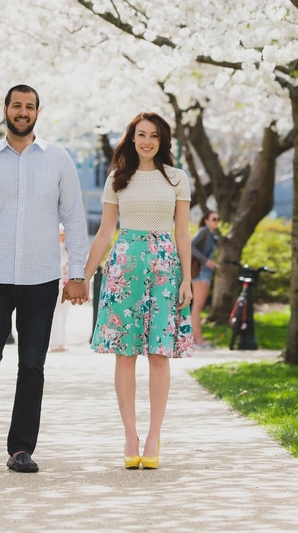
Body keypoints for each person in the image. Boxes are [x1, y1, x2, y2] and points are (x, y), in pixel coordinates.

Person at [0, 84, 89, 475]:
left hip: (41, 278)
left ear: (37, 113)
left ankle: (20, 449)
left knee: (32, 364)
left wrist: (77, 273)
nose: (23, 112)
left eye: (30, 107)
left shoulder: (59, 160)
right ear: (6, 110)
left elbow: (75, 219)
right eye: (17, 105)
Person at [85, 111, 194, 471]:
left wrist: (187, 280)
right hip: (124, 268)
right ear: (132, 138)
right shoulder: (117, 178)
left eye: (154, 136)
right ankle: (130, 435)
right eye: (141, 134)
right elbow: (105, 232)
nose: (147, 141)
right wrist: (84, 275)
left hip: (165, 269)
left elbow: (182, 233)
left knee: (159, 354)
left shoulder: (177, 179)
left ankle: (153, 435)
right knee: (125, 354)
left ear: (163, 141)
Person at [190, 211, 219, 349]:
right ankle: (198, 340)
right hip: (200, 272)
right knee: (197, 307)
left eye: (218, 219)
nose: (216, 222)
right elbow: (190, 245)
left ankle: (196, 339)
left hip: (206, 272)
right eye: (214, 219)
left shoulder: (213, 235)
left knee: (198, 307)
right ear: (206, 220)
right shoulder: (204, 231)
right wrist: (205, 261)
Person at [50, 224, 70, 352]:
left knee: (64, 315)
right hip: (56, 286)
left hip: (65, 286)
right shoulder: (53, 251)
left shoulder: (66, 251)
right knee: (54, 315)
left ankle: (61, 342)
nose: (63, 238)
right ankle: (54, 343)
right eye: (60, 235)